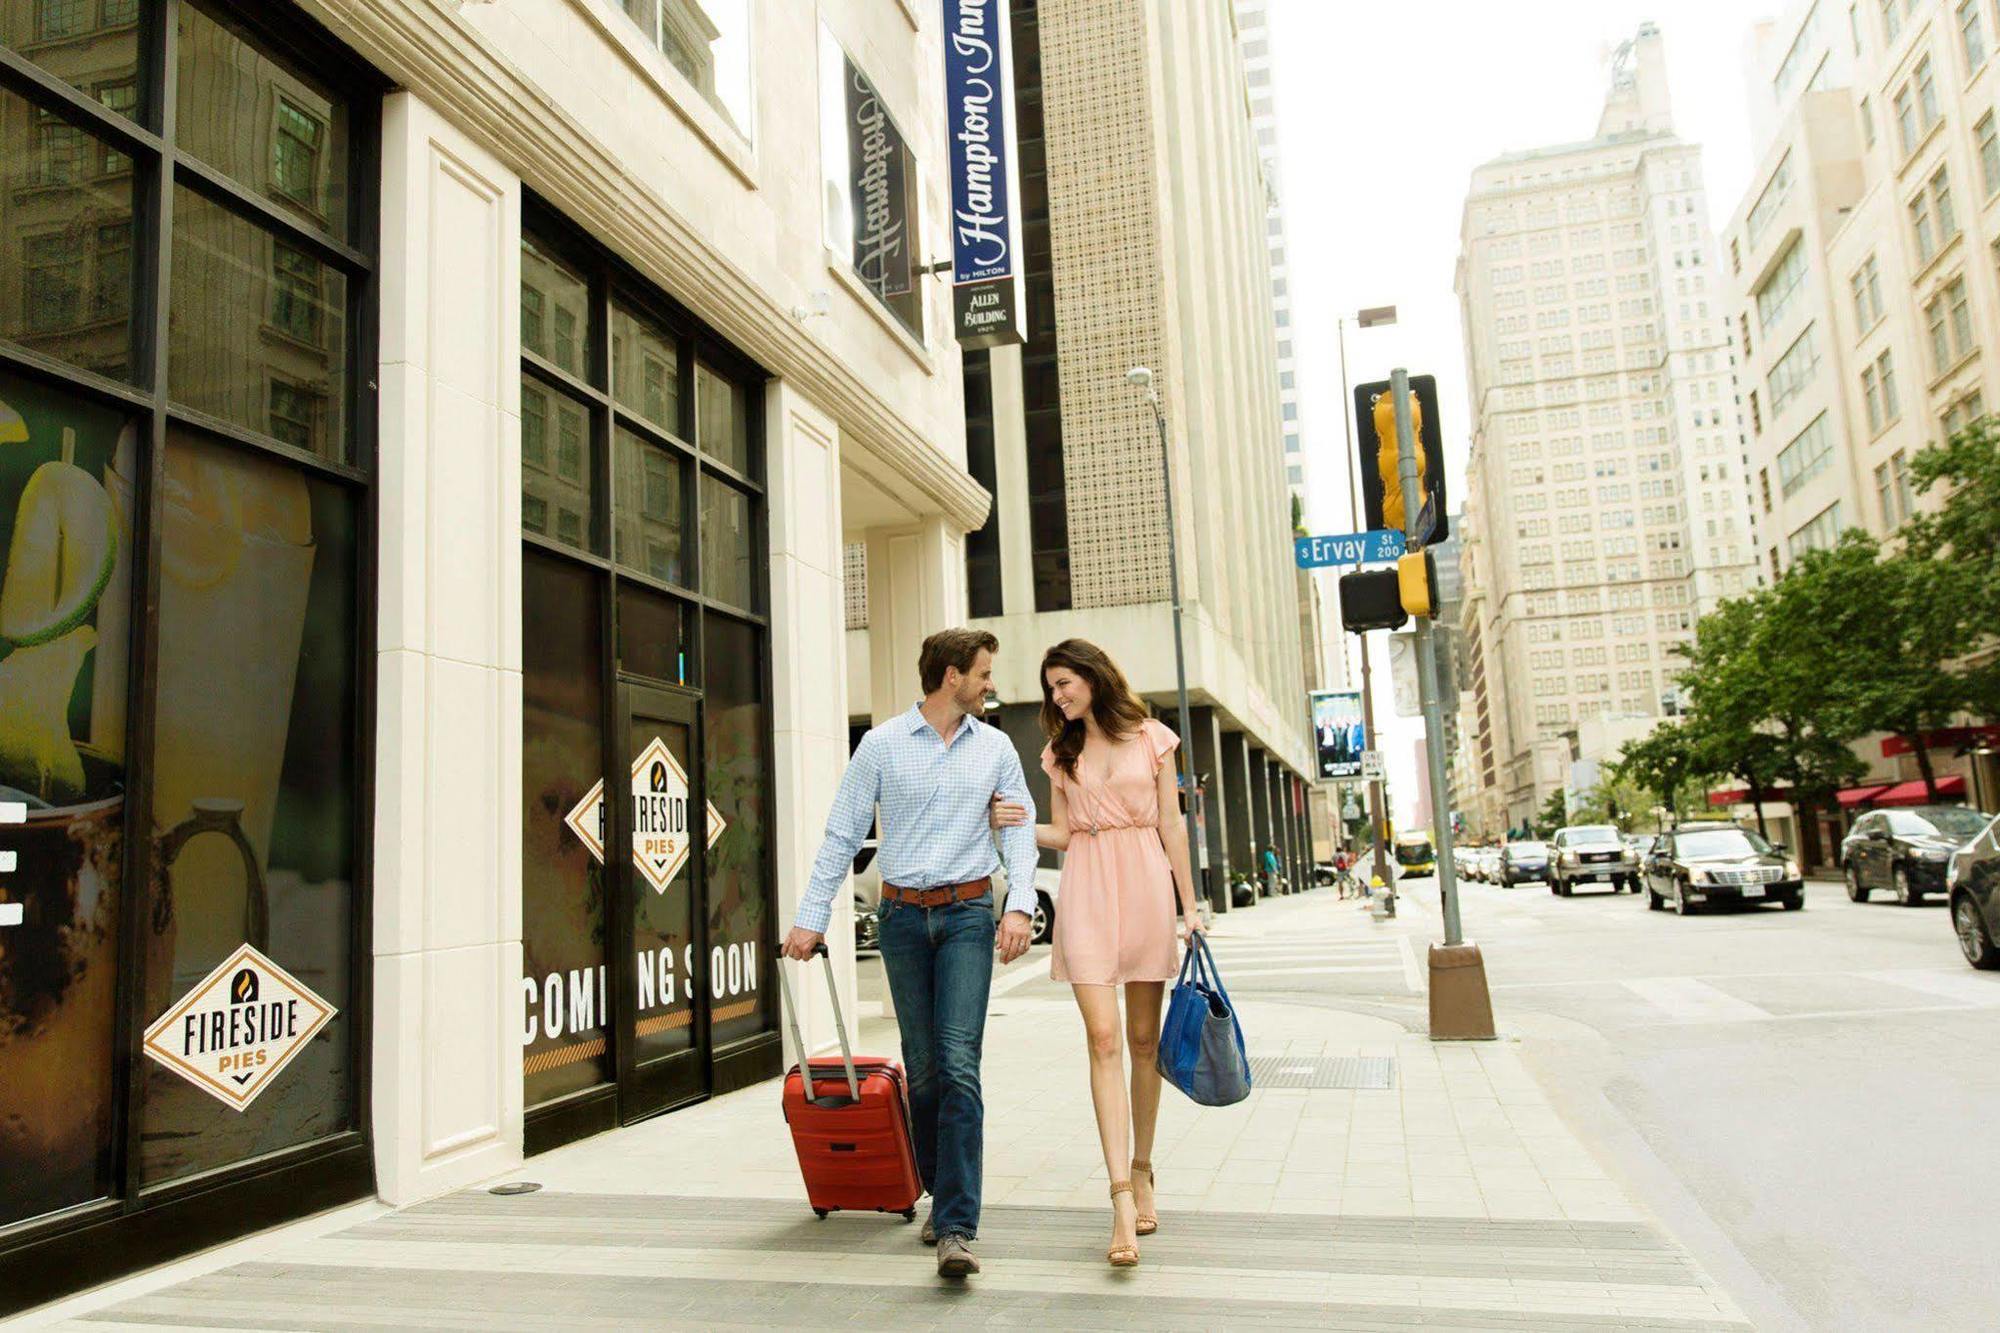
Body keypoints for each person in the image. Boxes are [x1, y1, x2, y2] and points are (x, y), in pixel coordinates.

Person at [783, 628, 1039, 1281]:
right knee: (923, 1071)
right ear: (951, 674)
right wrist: (811, 920)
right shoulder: (882, 745)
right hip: (900, 919)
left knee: (958, 1065)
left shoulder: (999, 749)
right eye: (983, 672)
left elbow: (1020, 833)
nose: (990, 684)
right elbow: (842, 833)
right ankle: (936, 1185)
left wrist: (1019, 904)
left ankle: (956, 1223)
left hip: (965, 917)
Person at [995, 638, 1202, 1269]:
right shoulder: (1062, 750)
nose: (1057, 696)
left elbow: (1172, 824)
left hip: (1144, 883)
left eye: (1065, 683)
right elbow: (1061, 831)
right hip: (1086, 886)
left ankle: (1143, 1169)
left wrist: (1189, 908)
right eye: (1051, 687)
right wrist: (1011, 820)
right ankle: (1117, 1199)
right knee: (1104, 1039)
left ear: (1093, 676)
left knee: (1144, 1041)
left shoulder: (1152, 738)